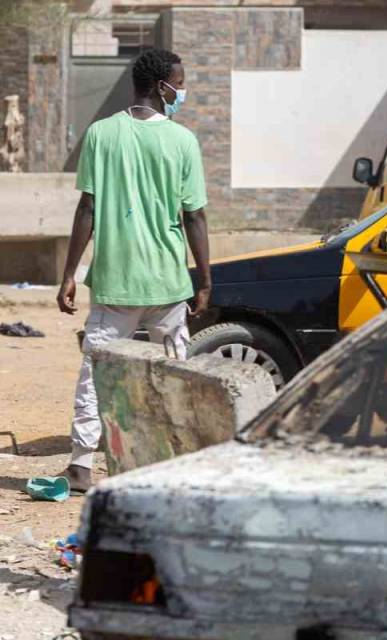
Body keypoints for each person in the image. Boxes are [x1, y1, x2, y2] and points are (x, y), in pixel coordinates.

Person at [54, 48, 211, 492]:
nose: (182, 91)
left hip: (115, 281)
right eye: (179, 84)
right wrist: (204, 279)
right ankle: (178, 461)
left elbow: (87, 208)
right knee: (175, 371)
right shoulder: (182, 141)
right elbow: (195, 216)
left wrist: (70, 274)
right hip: (167, 282)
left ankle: (81, 465)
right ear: (161, 87)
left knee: (96, 373)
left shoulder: (101, 134)